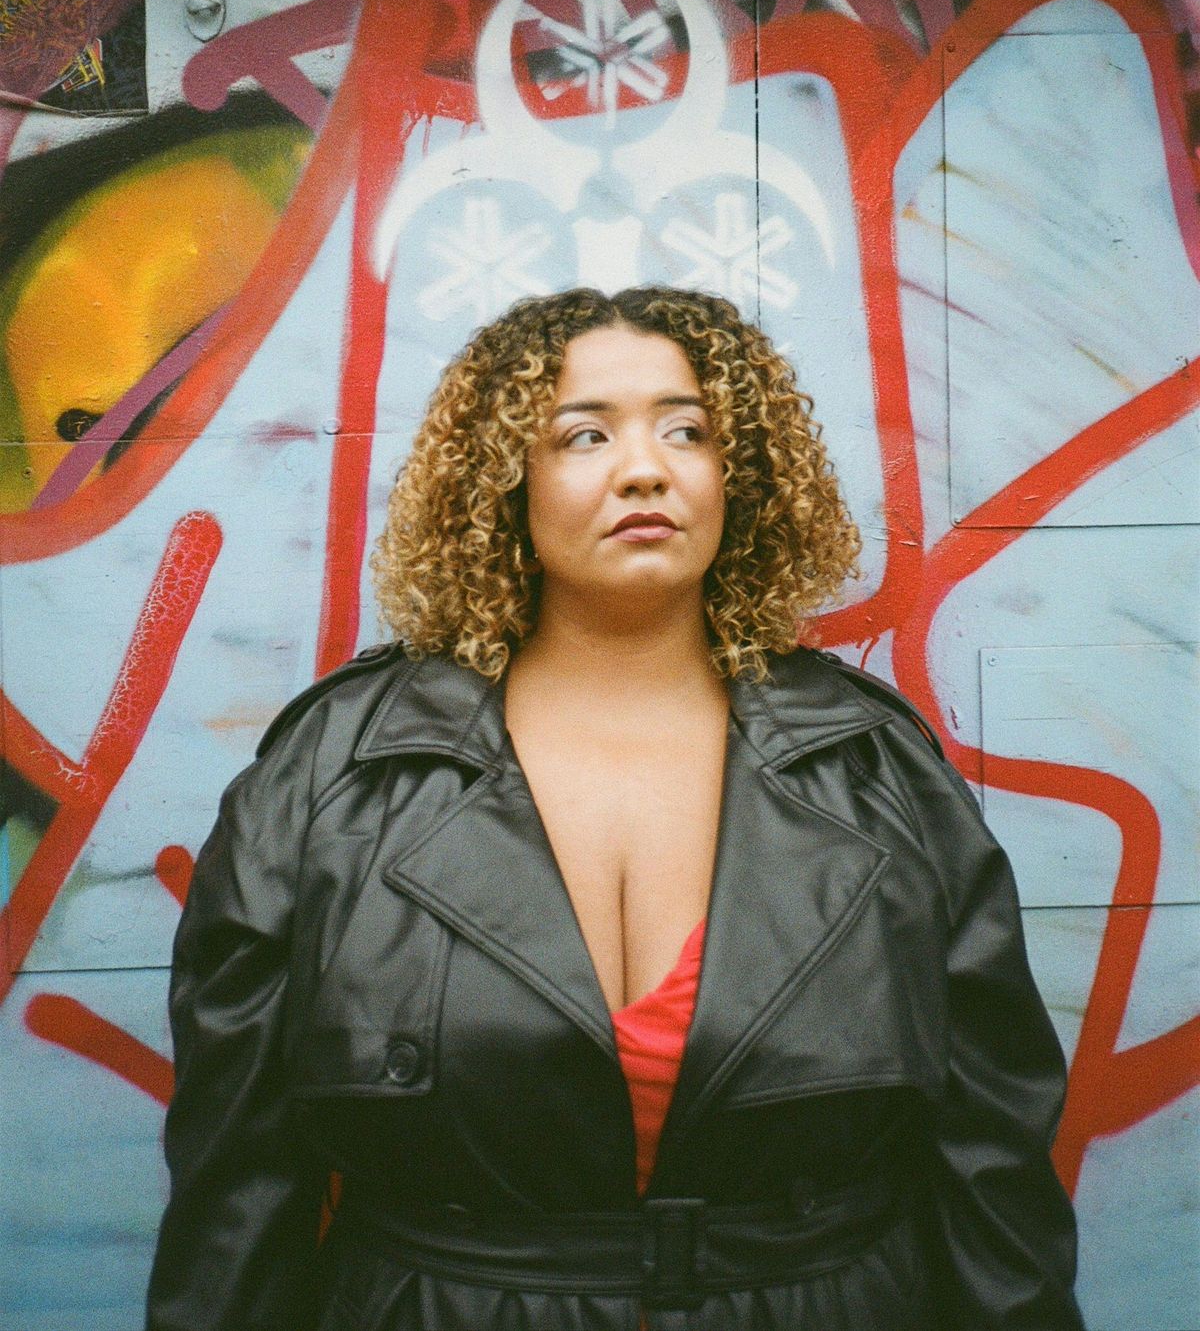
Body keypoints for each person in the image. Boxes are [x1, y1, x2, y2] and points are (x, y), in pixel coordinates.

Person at [145, 284, 1086, 1331]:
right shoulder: (333, 774)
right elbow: (236, 1193)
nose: (646, 468)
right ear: (503, 479)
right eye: (583, 435)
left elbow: (994, 1170)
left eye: (687, 430)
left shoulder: (878, 770)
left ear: (740, 474)